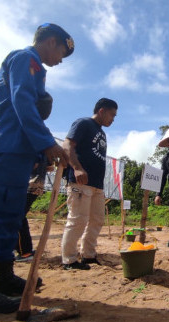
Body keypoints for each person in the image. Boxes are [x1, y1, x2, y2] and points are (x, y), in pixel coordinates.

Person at [0, 23, 73, 318]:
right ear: (52, 42)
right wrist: (46, 143)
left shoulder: (34, 67)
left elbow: (28, 108)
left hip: (19, 150)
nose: (60, 61)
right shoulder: (24, 59)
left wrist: (38, 153)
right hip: (8, 147)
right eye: (62, 53)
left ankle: (2, 276)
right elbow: (21, 103)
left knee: (11, 218)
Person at [61, 98, 118, 270]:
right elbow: (67, 144)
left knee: (97, 220)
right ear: (101, 111)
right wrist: (77, 168)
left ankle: (88, 255)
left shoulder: (102, 133)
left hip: (97, 185)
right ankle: (69, 260)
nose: (113, 119)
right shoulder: (83, 123)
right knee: (78, 220)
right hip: (80, 181)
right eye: (112, 115)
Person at [15, 158, 53, 262]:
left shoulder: (33, 144)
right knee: (19, 215)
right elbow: (50, 166)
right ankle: (24, 250)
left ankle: (25, 252)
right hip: (35, 183)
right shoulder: (44, 145)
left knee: (16, 215)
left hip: (28, 182)